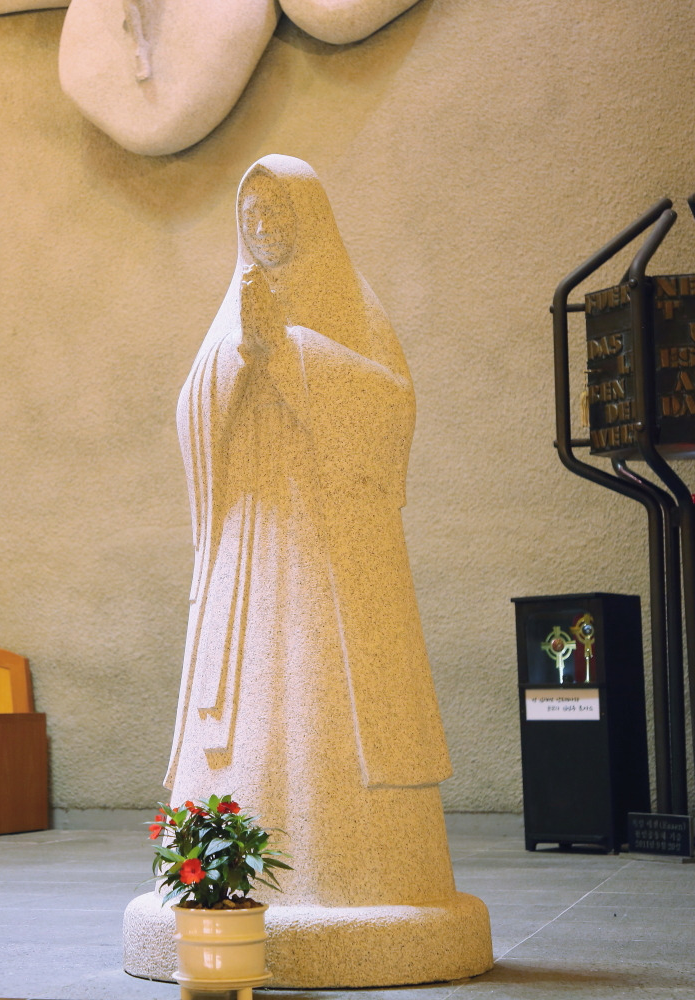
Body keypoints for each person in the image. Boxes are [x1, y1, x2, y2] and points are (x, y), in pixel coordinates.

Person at [164, 153, 454, 907]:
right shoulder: (233, 305)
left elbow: (391, 406)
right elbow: (191, 409)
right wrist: (237, 356)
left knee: (317, 681)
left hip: (324, 540)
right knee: (250, 691)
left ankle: (341, 866)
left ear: (309, 219)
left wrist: (290, 350)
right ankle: (225, 869)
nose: (263, 228)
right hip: (251, 536)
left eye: (276, 213)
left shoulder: (350, 303)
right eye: (251, 216)